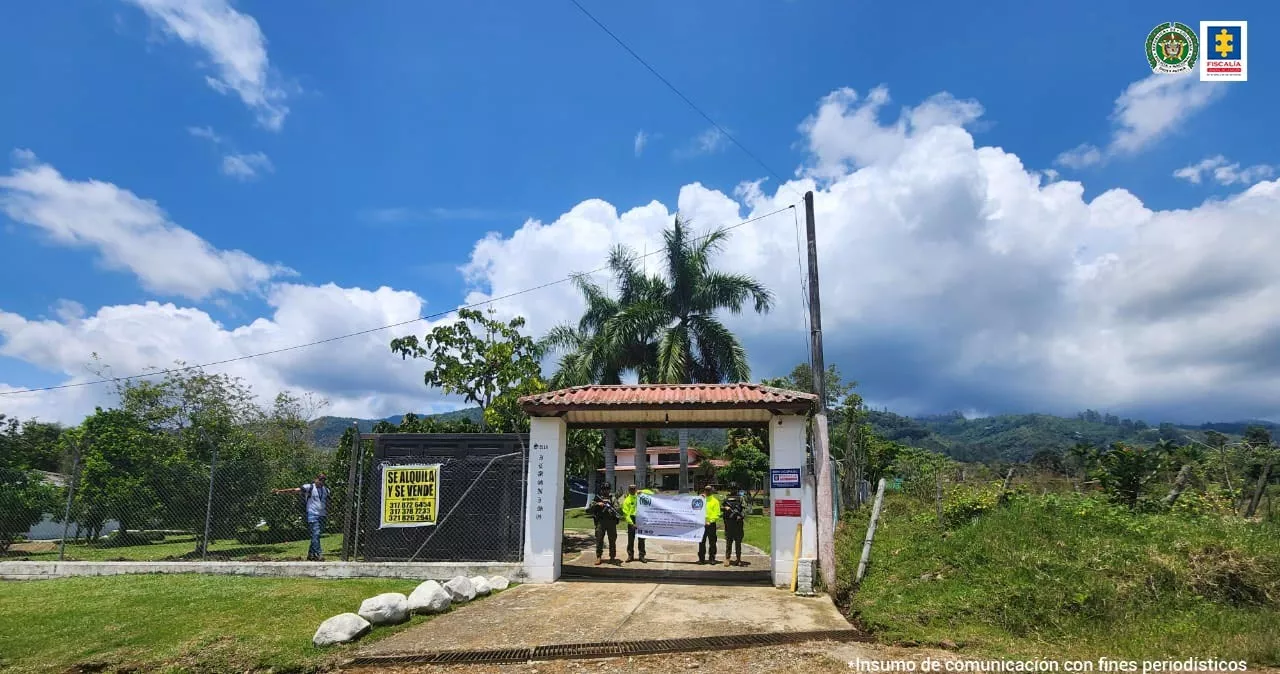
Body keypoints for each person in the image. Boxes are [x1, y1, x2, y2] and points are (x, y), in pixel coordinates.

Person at [273, 473, 330, 561]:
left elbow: (327, 502)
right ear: (316, 479)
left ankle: (311, 555)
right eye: (320, 479)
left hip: (322, 515)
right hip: (312, 514)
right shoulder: (309, 487)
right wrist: (279, 491)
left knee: (316, 536)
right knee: (316, 534)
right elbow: (294, 490)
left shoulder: (326, 490)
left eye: (323, 480)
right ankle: (318, 554)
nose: (321, 481)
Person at [586, 483, 621, 565]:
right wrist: (598, 504)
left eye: (607, 489)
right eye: (604, 489)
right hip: (600, 522)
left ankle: (612, 557)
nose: (606, 490)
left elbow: (618, 509)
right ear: (602, 490)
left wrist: (611, 508)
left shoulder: (613, 499)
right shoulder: (597, 498)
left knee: (612, 540)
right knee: (599, 540)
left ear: (609, 490)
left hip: (611, 522)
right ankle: (599, 557)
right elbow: (589, 508)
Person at [620, 484, 654, 563]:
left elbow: (651, 494)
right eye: (631, 489)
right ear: (628, 490)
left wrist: (641, 491)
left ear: (636, 489)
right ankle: (630, 556)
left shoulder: (640, 496)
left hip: (641, 519)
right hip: (632, 519)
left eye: (634, 489)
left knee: (641, 539)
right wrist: (632, 523)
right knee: (630, 540)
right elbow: (626, 514)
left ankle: (641, 556)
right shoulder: (627, 500)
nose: (633, 490)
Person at [721, 485, 746, 566]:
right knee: (729, 542)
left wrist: (741, 515)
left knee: (738, 542)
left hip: (738, 523)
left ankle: (738, 559)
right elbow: (721, 507)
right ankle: (727, 559)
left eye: (734, 488)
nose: (732, 490)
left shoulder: (741, 498)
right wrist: (725, 508)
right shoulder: (726, 498)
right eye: (731, 488)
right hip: (729, 522)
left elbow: (745, 508)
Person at [697, 484, 721, 564]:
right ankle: (701, 559)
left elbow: (717, 514)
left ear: (711, 491)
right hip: (702, 524)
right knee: (701, 542)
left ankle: (712, 558)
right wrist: (699, 498)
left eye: (709, 490)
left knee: (712, 542)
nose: (707, 491)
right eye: (706, 489)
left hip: (711, 524)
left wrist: (710, 521)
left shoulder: (715, 501)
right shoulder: (701, 499)